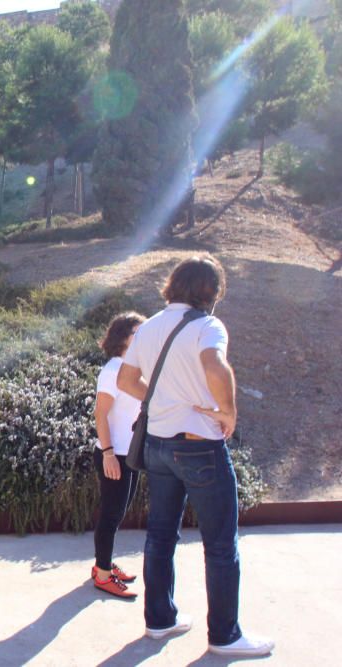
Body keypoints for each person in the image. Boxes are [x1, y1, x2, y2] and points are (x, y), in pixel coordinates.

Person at [117, 256, 273, 657]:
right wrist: (228, 411)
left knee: (160, 536)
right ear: (211, 291)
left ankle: (159, 621)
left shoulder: (148, 327)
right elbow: (214, 365)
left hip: (157, 446)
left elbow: (125, 380)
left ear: (173, 285)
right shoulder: (208, 326)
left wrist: (162, 399)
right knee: (221, 544)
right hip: (199, 446)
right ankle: (225, 636)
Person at [90, 312, 146, 599]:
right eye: (139, 331)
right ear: (123, 336)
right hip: (114, 455)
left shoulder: (131, 369)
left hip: (129, 453)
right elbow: (100, 415)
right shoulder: (113, 370)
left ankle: (104, 563)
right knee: (111, 515)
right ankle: (102, 575)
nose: (144, 335)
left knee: (117, 513)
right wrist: (109, 454)